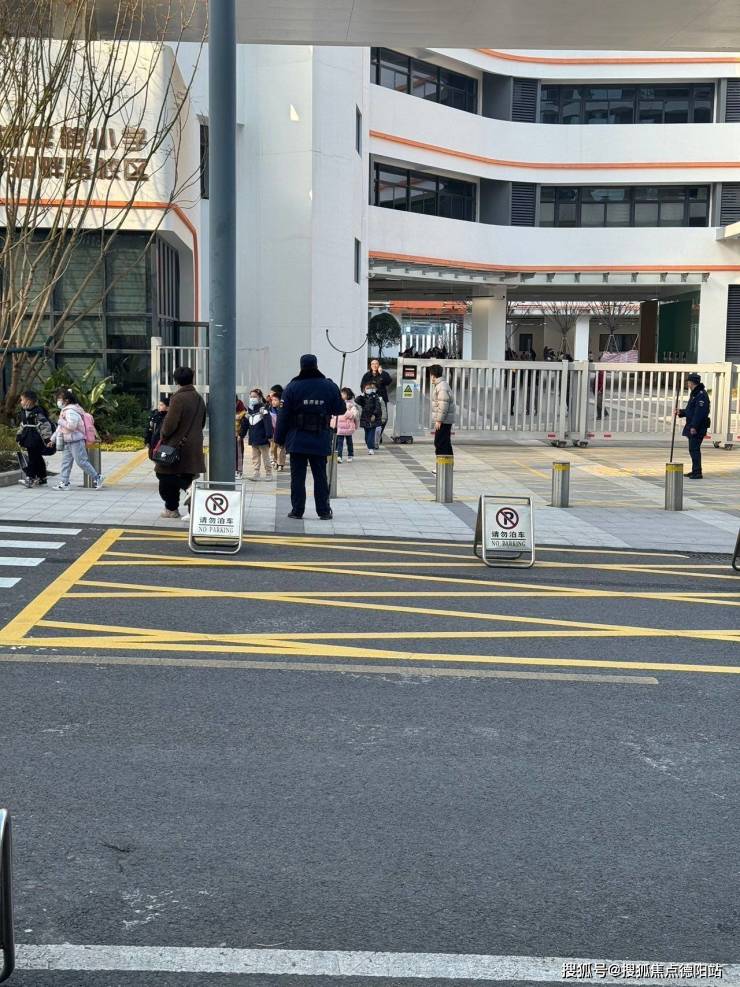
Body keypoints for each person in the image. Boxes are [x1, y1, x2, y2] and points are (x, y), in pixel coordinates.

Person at [275, 353, 345, 520]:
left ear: (301, 367)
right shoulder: (329, 386)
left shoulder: (292, 387)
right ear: (316, 365)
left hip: (297, 439)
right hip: (320, 438)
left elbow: (283, 416)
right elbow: (340, 409)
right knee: (320, 476)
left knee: (297, 478)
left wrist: (279, 439)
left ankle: (297, 510)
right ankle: (324, 511)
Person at [154, 366, 206, 518]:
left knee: (163, 474)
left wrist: (163, 435)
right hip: (193, 444)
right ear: (192, 378)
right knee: (186, 475)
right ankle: (189, 511)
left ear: (176, 380)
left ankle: (175, 505)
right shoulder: (199, 398)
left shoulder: (178, 398)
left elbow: (170, 425)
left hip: (176, 445)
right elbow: (202, 422)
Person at [49, 389, 103, 490]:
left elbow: (72, 426)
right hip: (68, 441)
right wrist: (53, 439)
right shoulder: (65, 410)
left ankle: (97, 477)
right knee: (66, 463)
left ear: (66, 400)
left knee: (81, 461)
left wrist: (60, 421)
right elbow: (60, 428)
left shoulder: (71, 411)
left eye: (59, 399)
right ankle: (64, 483)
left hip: (76, 441)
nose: (58, 401)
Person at [16, 389, 53, 487]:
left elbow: (45, 426)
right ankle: (42, 477)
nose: (21, 402)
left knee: (32, 459)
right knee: (37, 458)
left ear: (28, 401)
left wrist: (47, 439)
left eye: (22, 400)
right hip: (29, 438)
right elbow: (22, 425)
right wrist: (19, 436)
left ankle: (30, 478)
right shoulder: (24, 412)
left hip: (36, 439)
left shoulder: (38, 413)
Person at [678, 372, 711, 479]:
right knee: (693, 449)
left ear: (692, 382)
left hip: (698, 427)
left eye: (688, 382)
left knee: (694, 449)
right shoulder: (695, 394)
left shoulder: (701, 395)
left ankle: (697, 472)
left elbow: (699, 413)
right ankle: (695, 470)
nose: (687, 384)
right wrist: (681, 412)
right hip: (693, 425)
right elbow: (691, 410)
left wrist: (694, 427)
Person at [244, 388, 274, 481]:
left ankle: (269, 474)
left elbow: (268, 424)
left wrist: (269, 435)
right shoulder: (249, 410)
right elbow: (245, 424)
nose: (252, 398)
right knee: (255, 458)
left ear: (259, 397)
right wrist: (241, 434)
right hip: (253, 438)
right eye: (251, 397)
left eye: (254, 397)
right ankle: (256, 473)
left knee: (266, 457)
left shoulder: (263, 410)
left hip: (263, 438)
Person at [429, 364, 456, 459]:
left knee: (440, 442)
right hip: (445, 420)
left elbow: (443, 405)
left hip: (444, 421)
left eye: (430, 375)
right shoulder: (441, 385)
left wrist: (439, 420)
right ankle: (446, 464)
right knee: (444, 442)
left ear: (433, 375)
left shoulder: (441, 387)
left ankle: (443, 464)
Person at [355, 381, 385, 455]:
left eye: (370, 388)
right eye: (367, 388)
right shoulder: (363, 397)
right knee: (367, 435)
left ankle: (371, 448)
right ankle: (369, 446)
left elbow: (378, 407)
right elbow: (356, 401)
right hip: (365, 418)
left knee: (371, 434)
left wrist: (374, 414)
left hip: (373, 418)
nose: (369, 389)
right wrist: (361, 395)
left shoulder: (375, 396)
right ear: (364, 389)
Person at [332, 387, 359, 463]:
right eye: (341, 393)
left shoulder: (351, 405)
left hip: (348, 427)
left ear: (348, 395)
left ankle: (350, 455)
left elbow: (354, 415)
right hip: (340, 427)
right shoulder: (338, 403)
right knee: (339, 443)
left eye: (343, 394)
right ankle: (339, 456)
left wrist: (346, 412)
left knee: (349, 442)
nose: (341, 395)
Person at [268, 389, 286, 471]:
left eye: (275, 400)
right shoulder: (270, 409)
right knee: (273, 448)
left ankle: (280, 464)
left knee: (281, 448)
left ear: (280, 401)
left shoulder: (283, 410)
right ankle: (274, 461)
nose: (273, 402)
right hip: (273, 432)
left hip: (281, 431)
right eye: (272, 400)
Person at [235, 396, 247, 478]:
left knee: (238, 454)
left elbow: (244, 425)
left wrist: (241, 435)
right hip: (229, 437)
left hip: (238, 436)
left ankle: (239, 471)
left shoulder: (242, 412)